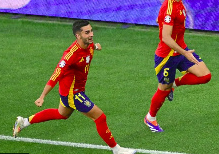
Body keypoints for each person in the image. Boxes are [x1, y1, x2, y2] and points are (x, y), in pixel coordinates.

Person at [13, 20, 136, 154]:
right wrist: (42, 96)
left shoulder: (88, 45)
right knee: (100, 117)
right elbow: (56, 74)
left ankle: (24, 122)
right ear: (78, 36)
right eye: (87, 32)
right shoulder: (70, 55)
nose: (91, 35)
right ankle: (116, 150)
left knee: (61, 114)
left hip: (74, 90)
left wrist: (96, 47)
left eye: (91, 31)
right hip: (73, 93)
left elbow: (90, 47)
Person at [144, 0, 212, 132]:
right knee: (162, 89)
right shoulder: (169, 9)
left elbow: (165, 21)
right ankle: (150, 118)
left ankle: (173, 84)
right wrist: (186, 53)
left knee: (205, 76)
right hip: (167, 56)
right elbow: (166, 38)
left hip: (180, 50)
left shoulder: (177, 2)